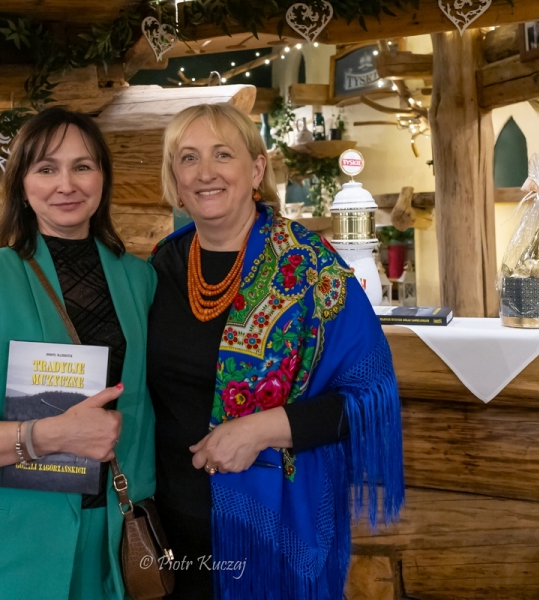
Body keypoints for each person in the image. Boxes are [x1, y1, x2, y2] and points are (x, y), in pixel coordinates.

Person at [147, 102, 404, 599]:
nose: (205, 172)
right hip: (168, 535)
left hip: (273, 535)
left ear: (256, 169)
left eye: (223, 154)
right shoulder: (161, 264)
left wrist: (259, 429)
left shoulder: (312, 268)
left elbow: (371, 398)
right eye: (188, 158)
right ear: (175, 177)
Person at [0, 107, 157, 600]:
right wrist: (47, 436)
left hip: (113, 544)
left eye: (82, 166)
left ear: (103, 179)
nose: (67, 184)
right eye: (46, 168)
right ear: (22, 185)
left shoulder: (140, 279)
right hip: (6, 551)